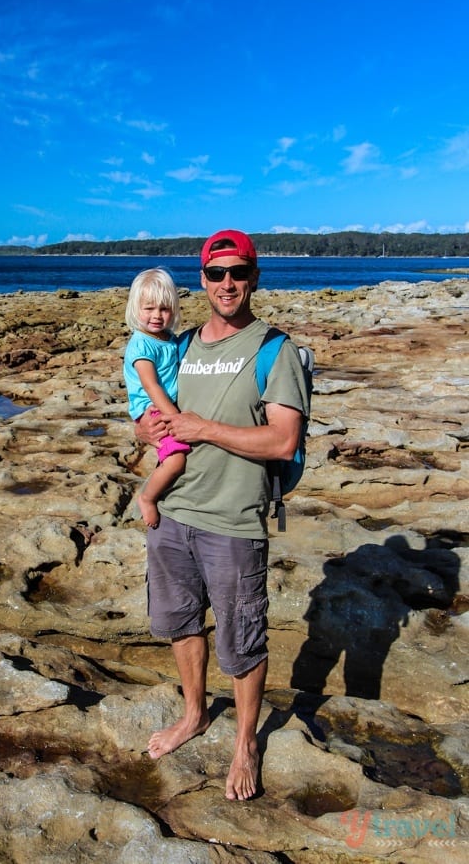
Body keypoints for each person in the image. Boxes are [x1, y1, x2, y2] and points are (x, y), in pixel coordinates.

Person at [135, 230, 311, 800]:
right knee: (180, 621)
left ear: (255, 277)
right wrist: (145, 428)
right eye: (216, 275)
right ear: (203, 281)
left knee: (242, 640)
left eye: (238, 273)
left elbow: (284, 441)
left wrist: (203, 429)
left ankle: (246, 744)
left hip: (234, 520)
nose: (227, 284)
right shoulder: (179, 345)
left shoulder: (273, 349)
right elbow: (151, 419)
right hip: (172, 512)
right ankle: (192, 714)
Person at [123, 268, 191, 527]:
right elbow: (151, 385)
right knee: (176, 460)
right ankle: (148, 498)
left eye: (164, 309)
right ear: (135, 308)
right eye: (149, 308)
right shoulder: (141, 344)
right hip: (153, 408)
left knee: (174, 457)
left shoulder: (169, 339)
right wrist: (175, 417)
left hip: (166, 405)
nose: (156, 316)